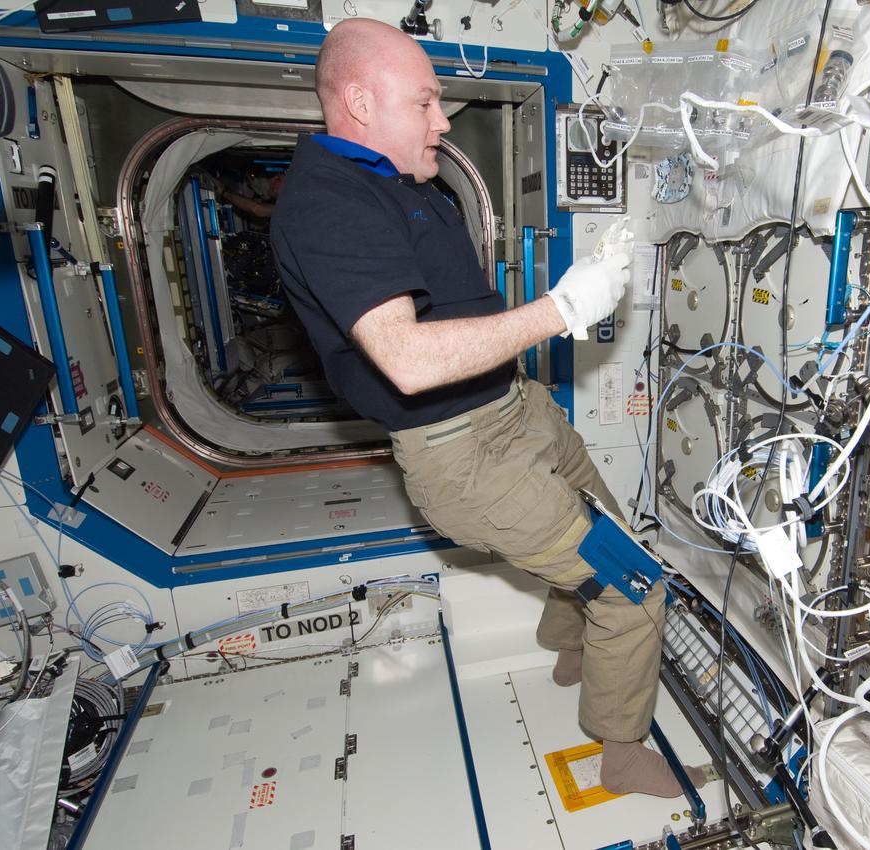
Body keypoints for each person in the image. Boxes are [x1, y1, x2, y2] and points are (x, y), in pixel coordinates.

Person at [270, 18, 707, 798]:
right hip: (463, 456)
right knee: (637, 584)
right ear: (361, 102)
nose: (443, 120)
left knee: (605, 530)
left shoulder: (410, 183)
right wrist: (561, 310)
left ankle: (573, 647)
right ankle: (622, 750)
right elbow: (404, 359)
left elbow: (458, 313)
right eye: (427, 102)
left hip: (515, 407)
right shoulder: (326, 204)